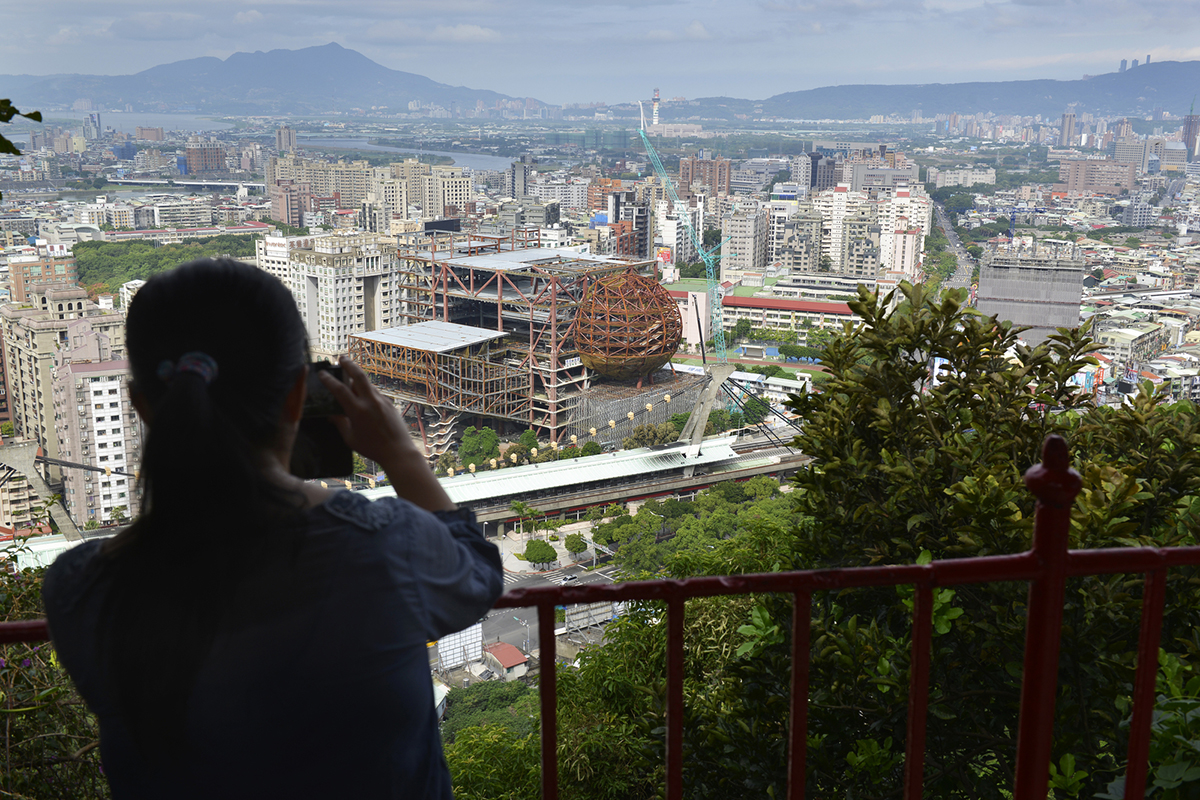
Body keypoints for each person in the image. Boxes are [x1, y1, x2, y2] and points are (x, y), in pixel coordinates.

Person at [42, 258, 502, 799]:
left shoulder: (80, 590)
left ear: (142, 407)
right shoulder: (385, 548)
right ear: (298, 398)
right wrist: (401, 454)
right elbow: (477, 574)